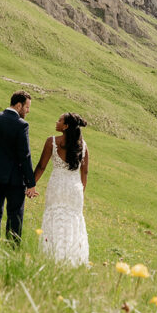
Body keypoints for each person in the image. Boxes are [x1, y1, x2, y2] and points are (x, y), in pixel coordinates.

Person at [34, 112, 89, 266]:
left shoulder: (52, 141)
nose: (56, 122)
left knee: (54, 217)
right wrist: (81, 190)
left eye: (59, 120)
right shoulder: (83, 146)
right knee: (73, 220)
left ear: (65, 126)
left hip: (57, 187)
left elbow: (41, 166)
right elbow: (84, 172)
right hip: (74, 189)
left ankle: (52, 257)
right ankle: (73, 259)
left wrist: (30, 185)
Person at [0, 90, 38, 241]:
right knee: (15, 215)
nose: (28, 111)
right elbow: (25, 156)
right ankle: (12, 248)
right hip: (14, 180)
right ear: (19, 105)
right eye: (27, 107)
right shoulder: (22, 125)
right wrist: (31, 183)